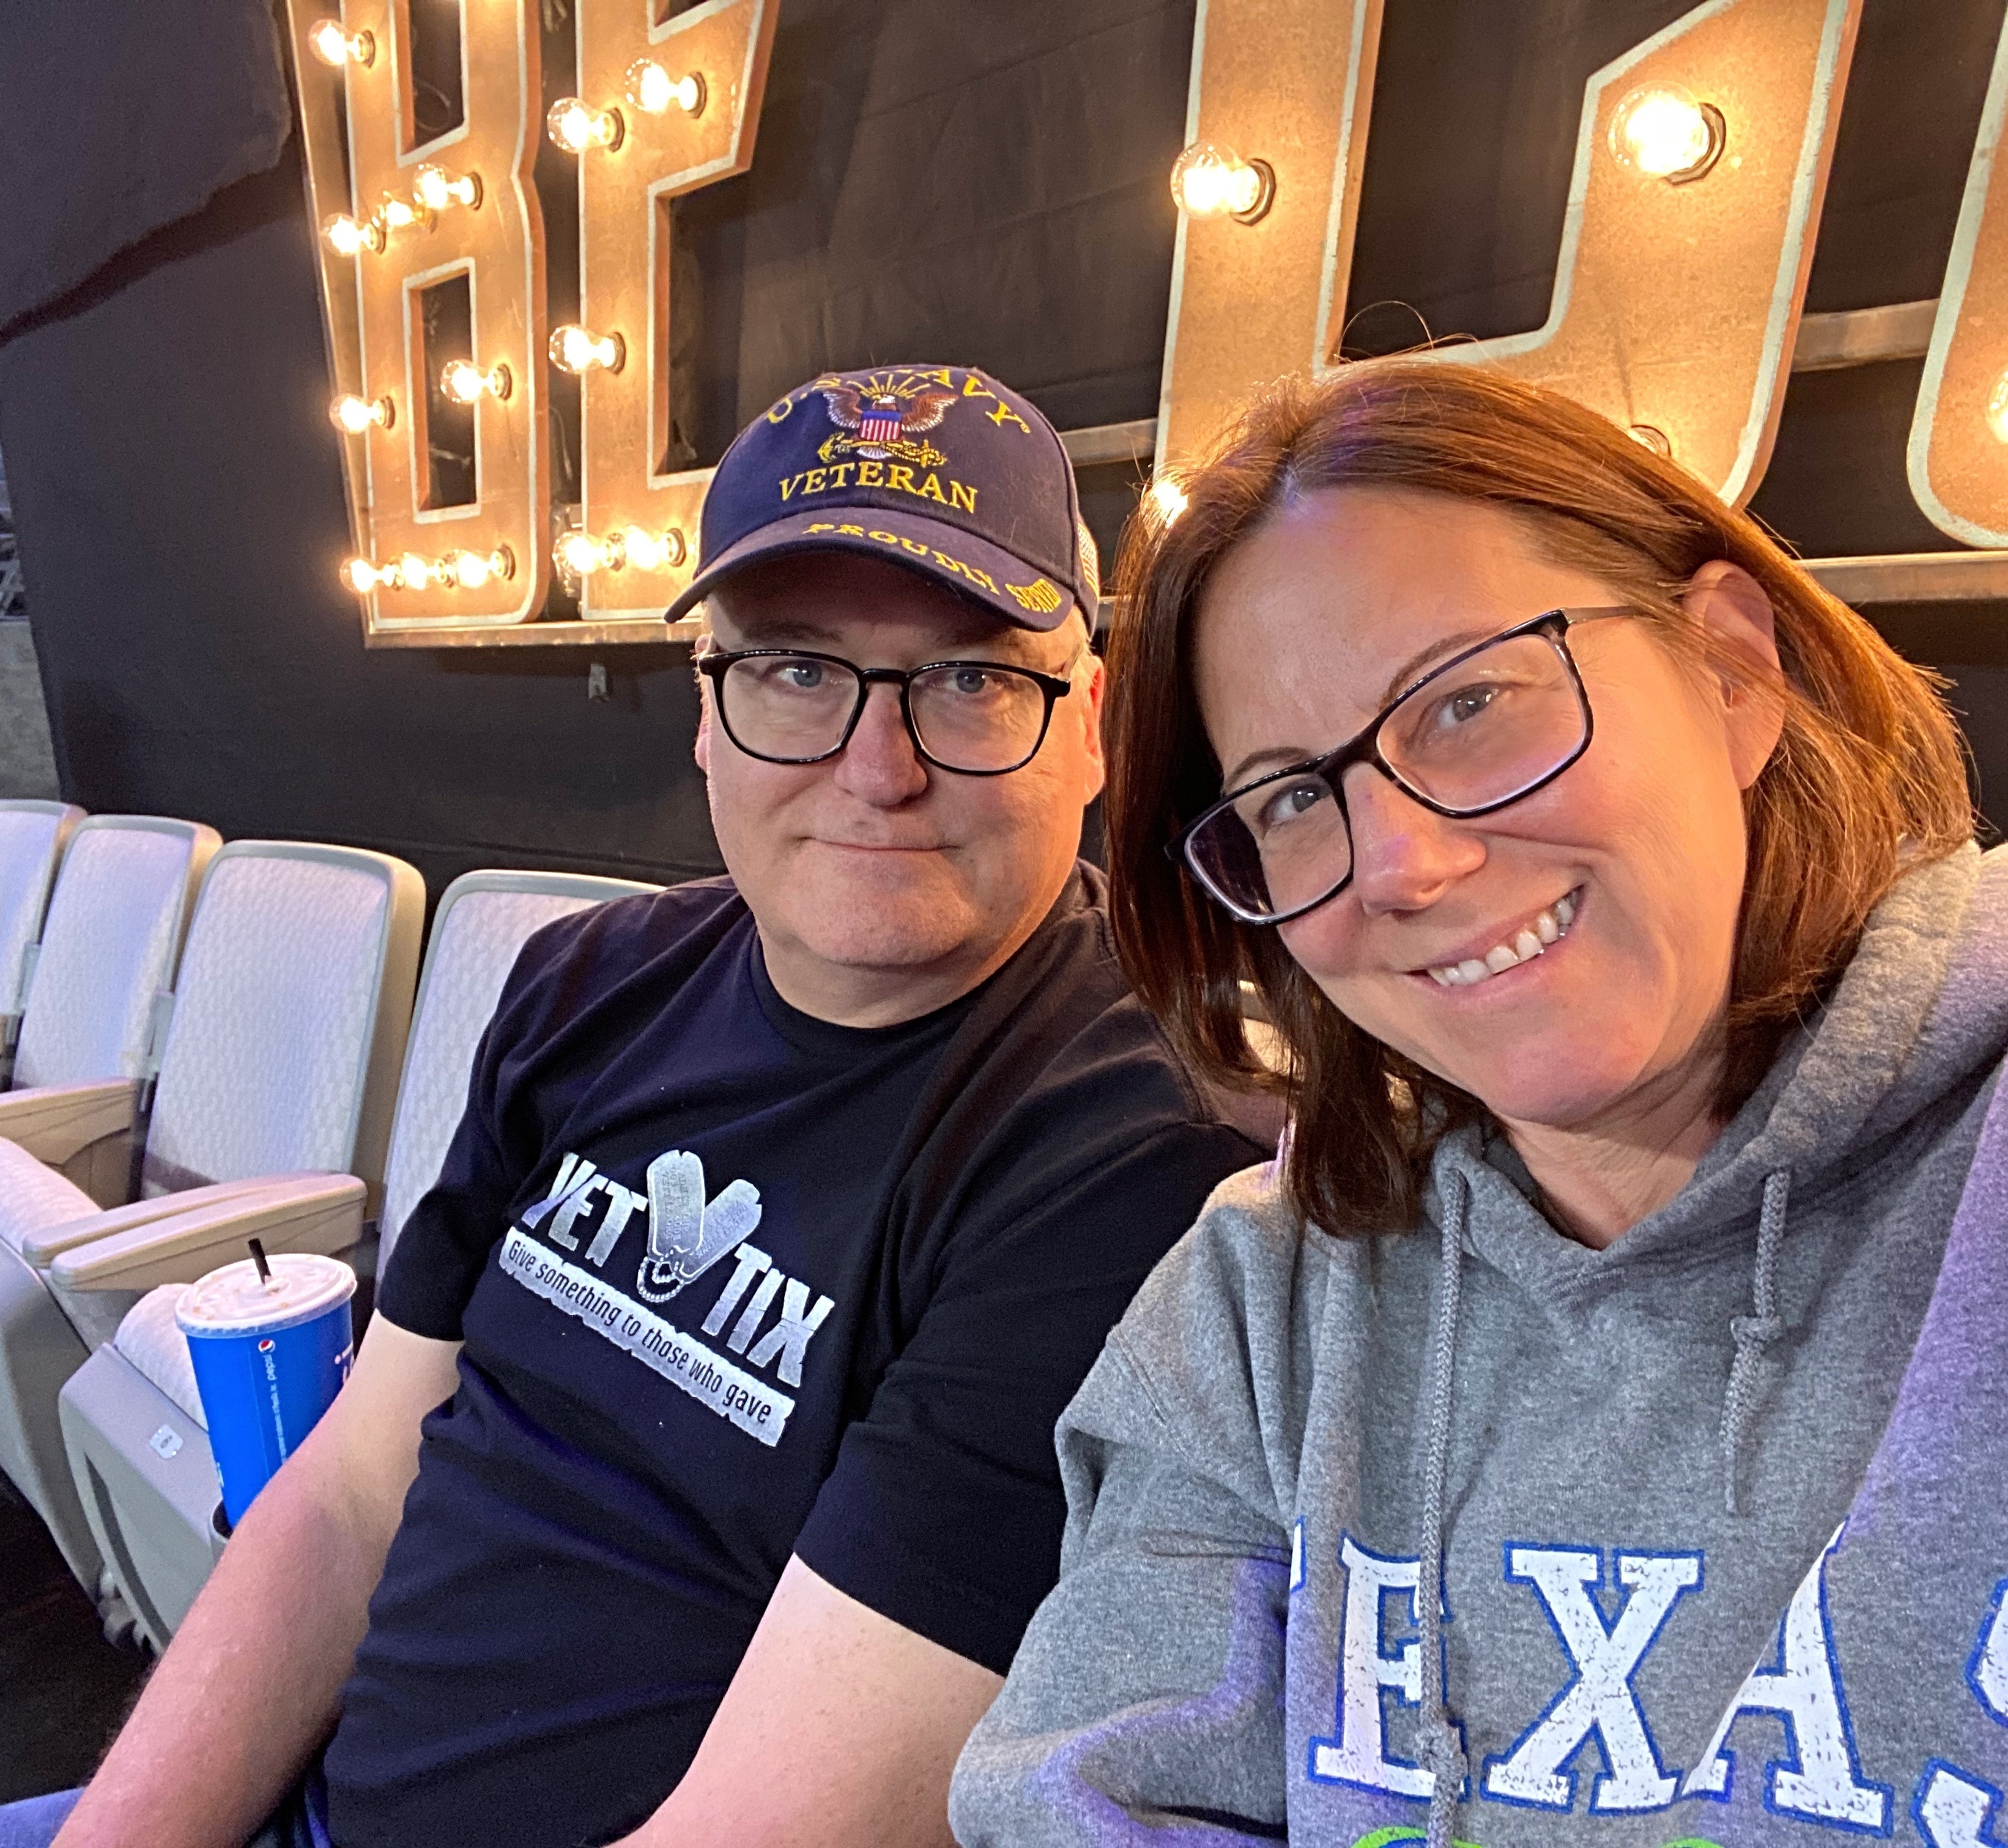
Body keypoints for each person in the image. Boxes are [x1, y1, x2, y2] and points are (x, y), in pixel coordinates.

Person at [19, 365, 1267, 1848]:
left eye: (970, 679)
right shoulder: (589, 980)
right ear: (706, 712)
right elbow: (351, 1492)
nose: (878, 769)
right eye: (795, 670)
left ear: (1091, 722)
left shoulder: (1134, 1156)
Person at [948, 358, 2008, 1848]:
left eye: (1466, 703)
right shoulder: (1262, 1307)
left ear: (1731, 671)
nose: (1403, 863)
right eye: (1295, 795)